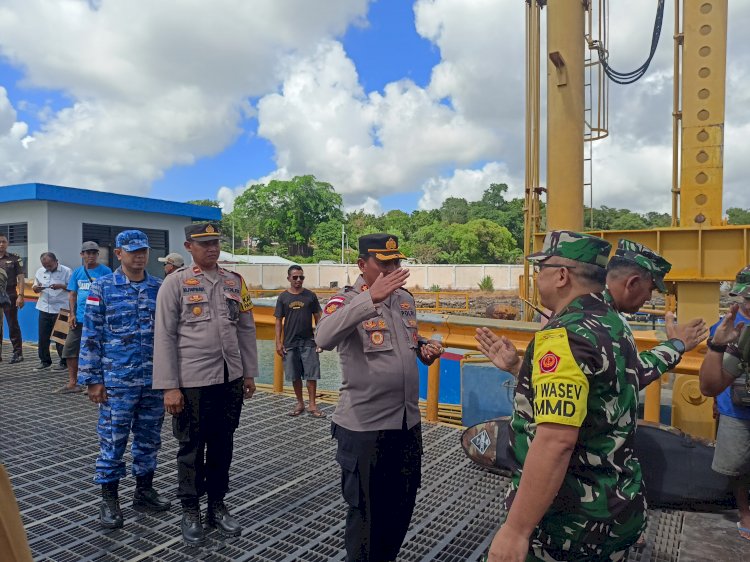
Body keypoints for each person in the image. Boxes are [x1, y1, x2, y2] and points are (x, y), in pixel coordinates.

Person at [475, 230, 645, 561]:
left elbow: (556, 441)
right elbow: (591, 395)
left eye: (542, 269)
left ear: (562, 275)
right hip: (616, 506)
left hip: (571, 523)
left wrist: (516, 530)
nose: (538, 278)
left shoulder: (563, 335)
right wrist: (519, 368)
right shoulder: (613, 323)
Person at [315, 233, 444, 562]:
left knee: (400, 509)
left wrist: (423, 351)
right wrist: (369, 298)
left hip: (406, 424)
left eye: (396, 262)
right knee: (366, 519)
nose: (392, 269)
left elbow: (406, 345)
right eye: (383, 263)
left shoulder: (405, 300)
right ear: (362, 265)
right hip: (365, 429)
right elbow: (324, 336)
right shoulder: (346, 301)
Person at [152, 222, 259, 547]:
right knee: (191, 449)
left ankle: (217, 504)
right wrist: (169, 386)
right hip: (192, 382)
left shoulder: (235, 282)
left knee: (223, 445)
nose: (212, 248)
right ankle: (190, 509)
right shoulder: (175, 283)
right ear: (189, 246)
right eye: (204, 243)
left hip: (229, 380)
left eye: (215, 242)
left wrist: (249, 372)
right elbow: (165, 336)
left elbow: (246, 328)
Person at [78, 230, 170, 529]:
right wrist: (92, 379)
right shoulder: (102, 288)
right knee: (113, 441)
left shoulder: (160, 288)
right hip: (117, 382)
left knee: (149, 440)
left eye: (143, 250)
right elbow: (90, 335)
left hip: (152, 381)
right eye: (132, 251)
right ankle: (109, 499)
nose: (139, 256)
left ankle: (143, 491)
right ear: (119, 254)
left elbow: (169, 336)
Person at [606, 239, 708, 387]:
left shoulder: (607, 311)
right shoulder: (604, 319)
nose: (649, 297)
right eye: (651, 289)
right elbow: (626, 381)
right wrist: (676, 345)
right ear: (632, 283)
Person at [698, 265, 750, 542]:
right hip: (736, 409)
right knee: (738, 465)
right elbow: (711, 382)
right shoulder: (727, 329)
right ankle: (745, 512)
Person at [57, 242, 112, 393]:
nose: (91, 256)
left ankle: (96, 383)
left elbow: (110, 294)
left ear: (97, 255)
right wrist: (72, 314)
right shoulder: (77, 272)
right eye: (87, 253)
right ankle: (73, 383)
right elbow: (72, 294)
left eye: (94, 253)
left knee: (98, 350)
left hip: (98, 319)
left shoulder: (105, 271)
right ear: (82, 255)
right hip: (80, 318)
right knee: (70, 350)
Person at [275, 265, 324, 417]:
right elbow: (278, 320)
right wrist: (278, 342)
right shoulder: (283, 297)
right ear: (288, 278)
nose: (298, 280)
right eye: (295, 277)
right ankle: (300, 402)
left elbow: (318, 318)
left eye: (301, 277)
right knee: (294, 375)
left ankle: (312, 405)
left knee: (311, 374)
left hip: (309, 342)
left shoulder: (310, 296)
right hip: (290, 343)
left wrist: (320, 339)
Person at [32, 252, 71, 371]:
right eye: (45, 265)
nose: (47, 268)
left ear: (56, 261)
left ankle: (63, 362)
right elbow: (34, 287)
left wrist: (61, 286)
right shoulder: (40, 271)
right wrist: (36, 288)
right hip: (44, 307)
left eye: (49, 265)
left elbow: (73, 288)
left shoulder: (67, 271)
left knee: (61, 338)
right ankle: (45, 361)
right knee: (43, 336)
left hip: (62, 308)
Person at [0, 233, 25, 364]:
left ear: (7, 243)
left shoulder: (15, 258)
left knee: (12, 325)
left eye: (3, 241)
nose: (1, 244)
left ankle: (18, 353)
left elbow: (21, 278)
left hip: (9, 294)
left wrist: (21, 295)